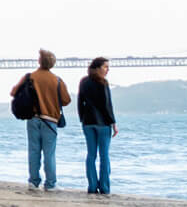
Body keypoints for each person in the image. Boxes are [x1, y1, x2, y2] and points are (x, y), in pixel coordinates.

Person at [13, 48, 71, 191]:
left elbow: (13, 92)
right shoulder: (57, 80)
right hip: (50, 120)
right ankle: (50, 184)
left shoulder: (29, 77)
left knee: (33, 151)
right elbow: (66, 100)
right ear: (52, 64)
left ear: (39, 61)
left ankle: (33, 182)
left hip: (32, 119)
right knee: (49, 153)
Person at [79, 56, 116, 195]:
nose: (107, 70)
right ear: (97, 67)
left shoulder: (83, 82)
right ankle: (105, 188)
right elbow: (107, 105)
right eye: (105, 67)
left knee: (91, 155)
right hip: (103, 124)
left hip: (88, 123)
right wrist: (113, 123)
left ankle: (92, 186)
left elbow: (80, 102)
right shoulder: (103, 83)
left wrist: (82, 118)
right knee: (104, 156)